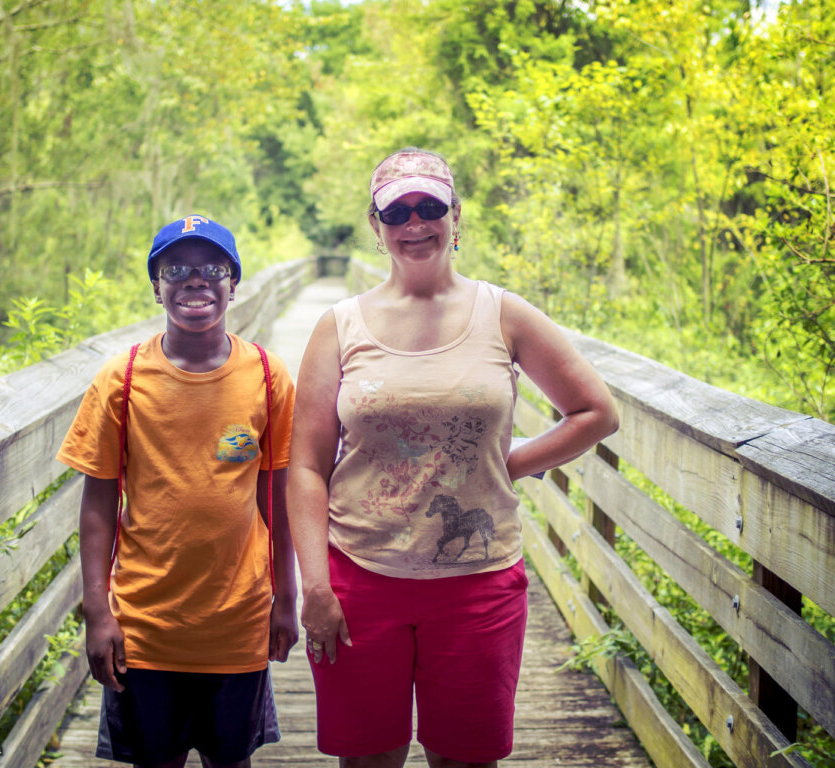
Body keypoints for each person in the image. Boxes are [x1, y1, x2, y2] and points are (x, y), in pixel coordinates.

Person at [288, 149, 619, 768]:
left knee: (466, 758)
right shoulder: (340, 326)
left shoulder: (504, 313)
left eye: (430, 206)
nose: (415, 223)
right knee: (366, 758)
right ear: (377, 225)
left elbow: (595, 412)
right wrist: (314, 585)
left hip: (479, 580)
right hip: (360, 575)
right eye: (398, 211)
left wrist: (507, 464)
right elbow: (305, 465)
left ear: (455, 215)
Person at [57, 214, 299, 768]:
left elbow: (277, 502)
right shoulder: (122, 378)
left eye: (213, 268)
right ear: (156, 284)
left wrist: (286, 599)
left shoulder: (267, 376)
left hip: (237, 622)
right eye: (177, 269)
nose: (196, 281)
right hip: (147, 626)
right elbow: (97, 506)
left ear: (233, 283)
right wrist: (98, 612)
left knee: (230, 760)